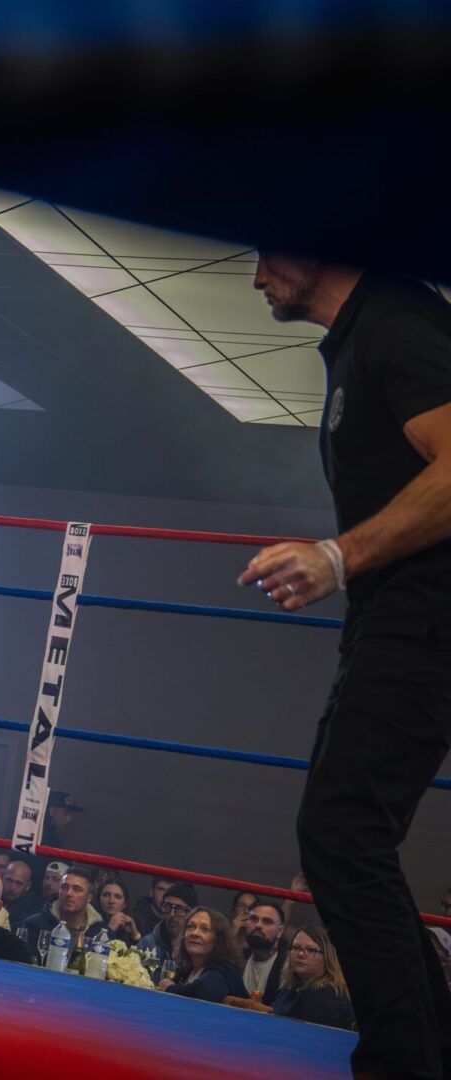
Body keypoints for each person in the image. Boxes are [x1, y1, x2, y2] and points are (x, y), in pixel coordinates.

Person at [242, 252, 451, 1078]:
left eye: (264, 255)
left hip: (427, 618)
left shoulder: (400, 325)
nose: (257, 278)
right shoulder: (370, 336)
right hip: (397, 617)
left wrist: (339, 554)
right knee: (349, 835)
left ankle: (407, 1061)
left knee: (341, 835)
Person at [270, 926, 358, 1031]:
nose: (301, 954)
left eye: (311, 950)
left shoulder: (324, 994)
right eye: (296, 947)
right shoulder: (293, 986)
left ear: (327, 956)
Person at [20, 865, 109, 963]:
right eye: (64, 887)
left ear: (89, 897)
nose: (69, 893)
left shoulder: (102, 935)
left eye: (77, 889)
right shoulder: (34, 924)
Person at [160, 907, 246, 1003]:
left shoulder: (224, 970)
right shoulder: (188, 969)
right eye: (191, 926)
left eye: (205, 929)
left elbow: (202, 993)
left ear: (218, 939)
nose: (195, 933)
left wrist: (170, 988)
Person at [239, 900, 291, 1001]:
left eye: (267, 921)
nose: (258, 925)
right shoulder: (238, 955)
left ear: (280, 931)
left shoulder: (289, 964)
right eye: (253, 919)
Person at [141, 882, 199, 958]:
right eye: (167, 906)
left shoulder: (197, 950)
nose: (172, 914)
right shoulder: (148, 945)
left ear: (192, 913)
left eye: (179, 909)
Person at [96, 879, 140, 944]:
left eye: (117, 897)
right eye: (106, 895)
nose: (111, 901)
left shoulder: (126, 925)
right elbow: (94, 951)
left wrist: (134, 935)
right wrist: (110, 929)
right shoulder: (91, 922)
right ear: (99, 899)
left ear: (124, 904)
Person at [1, 859, 38, 928]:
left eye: (18, 884)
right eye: (9, 880)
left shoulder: (31, 909)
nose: (12, 887)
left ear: (28, 886)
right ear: (3, 877)